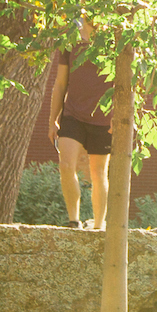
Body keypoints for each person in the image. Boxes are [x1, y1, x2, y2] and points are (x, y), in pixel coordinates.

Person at [50, 39, 112, 229]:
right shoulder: (70, 41)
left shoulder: (113, 40)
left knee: (98, 171)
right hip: (73, 115)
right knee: (66, 165)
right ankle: (73, 220)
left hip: (104, 118)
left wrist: (119, 117)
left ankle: (98, 225)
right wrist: (52, 119)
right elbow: (60, 83)